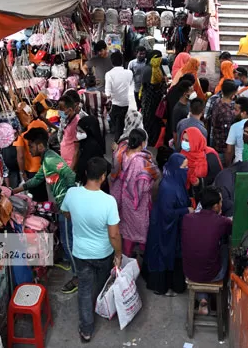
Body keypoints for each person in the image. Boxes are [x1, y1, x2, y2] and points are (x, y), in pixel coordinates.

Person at [60, 157, 122, 343]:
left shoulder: (72, 193)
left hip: (80, 253)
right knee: (101, 285)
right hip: (103, 253)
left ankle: (86, 330)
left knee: (85, 290)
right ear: (103, 177)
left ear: (86, 173)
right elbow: (114, 235)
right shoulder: (108, 201)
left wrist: (79, 220)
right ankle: (102, 309)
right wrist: (118, 255)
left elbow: (65, 212)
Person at [15, 127, 78, 292]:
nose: (29, 150)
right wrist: (14, 191)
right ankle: (71, 262)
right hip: (63, 204)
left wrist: (67, 202)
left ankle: (77, 276)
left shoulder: (50, 159)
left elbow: (71, 176)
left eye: (31, 146)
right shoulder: (46, 160)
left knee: (67, 241)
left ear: (41, 146)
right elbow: (37, 179)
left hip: (66, 206)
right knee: (68, 239)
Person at [145, 154, 194, 296]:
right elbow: (167, 213)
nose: (186, 169)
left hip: (172, 228)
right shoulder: (168, 187)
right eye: (184, 167)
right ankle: (164, 286)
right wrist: (186, 210)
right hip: (165, 229)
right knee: (165, 255)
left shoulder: (174, 181)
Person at [182, 186, 232, 315]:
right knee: (225, 248)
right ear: (215, 206)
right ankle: (214, 300)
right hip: (212, 275)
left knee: (201, 254)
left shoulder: (187, 218)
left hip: (189, 272)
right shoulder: (221, 222)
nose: (222, 204)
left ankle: (202, 299)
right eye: (220, 202)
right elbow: (229, 228)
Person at [111, 129, 161, 257]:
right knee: (141, 227)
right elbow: (143, 187)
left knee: (127, 227)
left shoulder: (122, 152)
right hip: (137, 200)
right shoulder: (140, 162)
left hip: (124, 196)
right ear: (142, 143)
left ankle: (127, 254)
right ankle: (144, 253)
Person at [13, 102, 50, 200]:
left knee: (36, 196)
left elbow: (20, 156)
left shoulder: (22, 133)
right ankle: (47, 210)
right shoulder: (41, 124)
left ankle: (42, 211)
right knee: (44, 193)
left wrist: (22, 173)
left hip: (32, 169)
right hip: (44, 164)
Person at [180, 127, 223, 192]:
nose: (183, 142)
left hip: (204, 193)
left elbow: (217, 176)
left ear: (195, 141)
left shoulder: (209, 154)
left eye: (187, 140)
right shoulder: (182, 153)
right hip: (185, 192)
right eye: (183, 139)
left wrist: (200, 181)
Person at [105, 51, 134, 139]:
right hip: (125, 103)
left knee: (117, 127)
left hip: (114, 104)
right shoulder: (129, 73)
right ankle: (119, 144)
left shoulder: (109, 74)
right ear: (122, 61)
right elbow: (130, 85)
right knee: (120, 126)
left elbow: (108, 93)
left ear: (112, 62)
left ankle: (117, 144)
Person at [142, 50, 168, 145]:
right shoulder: (149, 70)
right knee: (150, 120)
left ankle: (154, 139)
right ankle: (150, 140)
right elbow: (148, 88)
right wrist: (162, 85)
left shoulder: (157, 68)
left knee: (154, 120)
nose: (160, 60)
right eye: (158, 58)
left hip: (155, 101)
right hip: (150, 101)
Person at [74, 116, 107, 189]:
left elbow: (83, 165)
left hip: (92, 182)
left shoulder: (92, 146)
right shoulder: (86, 142)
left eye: (81, 131)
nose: (78, 134)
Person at [210, 80, 238, 155]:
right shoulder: (227, 113)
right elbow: (227, 136)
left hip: (216, 142)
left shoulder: (217, 101)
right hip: (223, 150)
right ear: (233, 93)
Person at [165, 78, 194, 146]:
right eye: (191, 91)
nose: (193, 93)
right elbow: (175, 131)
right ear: (185, 93)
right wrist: (177, 146)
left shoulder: (188, 103)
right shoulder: (178, 109)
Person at [225, 96, 248, 166]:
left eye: (236, 110)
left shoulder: (235, 127)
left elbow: (229, 151)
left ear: (243, 113)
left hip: (239, 164)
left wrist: (227, 166)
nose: (233, 112)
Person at [58, 93, 81, 169]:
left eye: (62, 109)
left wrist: (71, 168)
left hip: (71, 163)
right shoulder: (67, 119)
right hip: (65, 160)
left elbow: (77, 150)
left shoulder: (76, 123)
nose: (59, 111)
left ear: (70, 110)